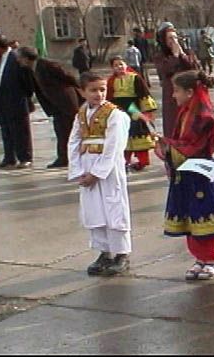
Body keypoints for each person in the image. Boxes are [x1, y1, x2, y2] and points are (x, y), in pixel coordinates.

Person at [154, 70, 214, 280]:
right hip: (187, 174)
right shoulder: (186, 111)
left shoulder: (203, 115)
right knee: (190, 216)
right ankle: (200, 258)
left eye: (176, 91)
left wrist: (168, 146)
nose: (173, 96)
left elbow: (195, 146)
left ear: (189, 91)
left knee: (206, 216)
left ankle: (213, 258)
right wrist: (165, 145)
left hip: (201, 174)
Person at [68, 72, 132, 276]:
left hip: (108, 169)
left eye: (102, 89)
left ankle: (122, 253)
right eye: (93, 90)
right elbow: (74, 141)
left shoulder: (115, 114)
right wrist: (78, 170)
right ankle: (104, 252)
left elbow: (114, 146)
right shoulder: (81, 114)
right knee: (94, 210)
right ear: (82, 91)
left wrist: (97, 173)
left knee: (114, 208)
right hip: (87, 165)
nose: (99, 94)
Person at [16, 47, 82, 168]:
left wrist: (81, 92)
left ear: (26, 58)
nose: (18, 61)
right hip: (55, 105)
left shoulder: (47, 65)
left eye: (19, 58)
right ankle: (64, 157)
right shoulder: (31, 69)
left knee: (67, 131)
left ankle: (68, 158)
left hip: (66, 103)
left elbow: (69, 77)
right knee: (61, 131)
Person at [106, 56, 157, 171]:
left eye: (121, 64)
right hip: (119, 109)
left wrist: (147, 111)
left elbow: (143, 93)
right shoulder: (111, 81)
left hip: (133, 108)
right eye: (115, 65)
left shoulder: (135, 78)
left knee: (138, 130)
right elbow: (109, 97)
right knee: (122, 134)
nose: (119, 67)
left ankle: (143, 161)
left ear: (126, 64)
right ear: (112, 68)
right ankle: (124, 161)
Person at [0, 34, 34, 169]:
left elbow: (28, 81)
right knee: (6, 131)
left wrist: (25, 97)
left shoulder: (16, 58)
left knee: (21, 132)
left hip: (17, 102)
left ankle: (25, 157)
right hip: (2, 103)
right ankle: (9, 158)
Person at [153, 22, 200, 137]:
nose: (173, 41)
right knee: (173, 124)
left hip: (189, 93)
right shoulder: (160, 56)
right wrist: (174, 56)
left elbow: (195, 68)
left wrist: (182, 54)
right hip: (172, 95)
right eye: (169, 38)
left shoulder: (187, 52)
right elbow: (165, 70)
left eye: (175, 37)